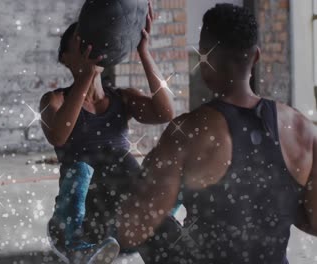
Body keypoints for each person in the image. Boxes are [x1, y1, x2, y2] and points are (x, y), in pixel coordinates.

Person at [115, 3, 317, 264]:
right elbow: (314, 222)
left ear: (204, 57)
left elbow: (134, 230)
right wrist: (275, 200)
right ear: (255, 56)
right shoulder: (304, 131)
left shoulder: (188, 132)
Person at [40, 1, 177, 263]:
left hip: (126, 202)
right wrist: (86, 75)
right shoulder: (54, 100)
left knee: (160, 179)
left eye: (90, 44)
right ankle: (71, 241)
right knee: (80, 169)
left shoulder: (122, 98)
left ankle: (163, 225)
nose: (89, 50)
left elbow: (165, 113)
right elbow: (58, 136)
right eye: (80, 46)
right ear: (65, 58)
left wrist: (144, 51)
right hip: (87, 210)